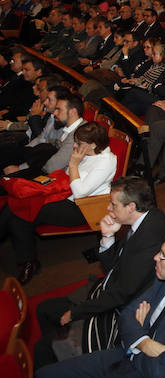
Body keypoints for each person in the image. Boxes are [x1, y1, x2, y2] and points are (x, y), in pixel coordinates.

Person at [35, 228, 165, 378]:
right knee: (43, 376)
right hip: (123, 353)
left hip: (141, 376)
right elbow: (127, 314)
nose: (155, 258)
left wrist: (137, 335)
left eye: (163, 256)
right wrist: (143, 343)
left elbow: (158, 372)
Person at [33, 177, 165, 366]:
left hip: (121, 309)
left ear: (131, 206)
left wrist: (75, 313)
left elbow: (120, 294)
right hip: (110, 290)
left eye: (113, 204)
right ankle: (61, 347)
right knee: (44, 310)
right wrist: (107, 237)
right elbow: (114, 269)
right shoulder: (146, 218)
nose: (108, 208)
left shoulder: (149, 239)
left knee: (42, 347)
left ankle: (63, 358)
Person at [0, 120, 116, 283]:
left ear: (93, 144)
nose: (75, 146)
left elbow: (80, 193)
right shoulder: (86, 152)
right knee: (19, 205)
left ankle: (29, 262)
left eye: (79, 143)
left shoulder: (107, 161)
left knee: (21, 212)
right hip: (64, 195)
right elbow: (68, 174)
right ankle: (28, 261)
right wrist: (72, 167)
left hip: (83, 208)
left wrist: (74, 164)